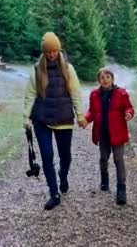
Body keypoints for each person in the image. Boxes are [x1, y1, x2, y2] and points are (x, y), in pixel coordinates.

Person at [24, 32, 87, 210]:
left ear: (59, 50)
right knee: (47, 155)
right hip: (42, 118)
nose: (52, 54)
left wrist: (80, 115)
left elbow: (75, 93)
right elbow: (30, 95)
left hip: (64, 118)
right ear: (44, 52)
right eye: (48, 51)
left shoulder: (68, 68)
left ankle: (63, 176)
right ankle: (54, 193)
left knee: (65, 156)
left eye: (55, 51)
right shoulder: (37, 69)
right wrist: (25, 118)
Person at [85, 67, 134, 205]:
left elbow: (129, 108)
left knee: (118, 159)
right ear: (98, 80)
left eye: (108, 77)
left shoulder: (121, 93)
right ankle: (104, 179)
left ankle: (121, 190)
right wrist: (85, 120)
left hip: (117, 133)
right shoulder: (94, 94)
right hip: (103, 134)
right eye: (102, 77)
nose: (105, 79)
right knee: (103, 158)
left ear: (112, 79)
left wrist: (129, 113)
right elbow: (92, 112)